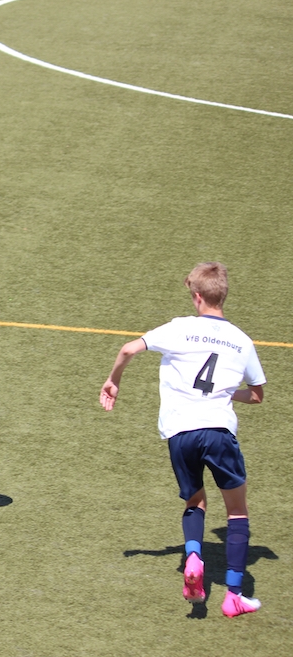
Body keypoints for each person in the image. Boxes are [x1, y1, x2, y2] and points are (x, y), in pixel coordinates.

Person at [100, 262, 266, 617]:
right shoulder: (242, 341)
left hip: (180, 433)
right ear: (223, 295)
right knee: (237, 511)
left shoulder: (179, 328)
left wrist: (114, 380)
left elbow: (129, 349)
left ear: (197, 297)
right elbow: (256, 395)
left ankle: (193, 557)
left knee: (195, 500)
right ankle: (234, 595)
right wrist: (226, 393)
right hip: (218, 432)